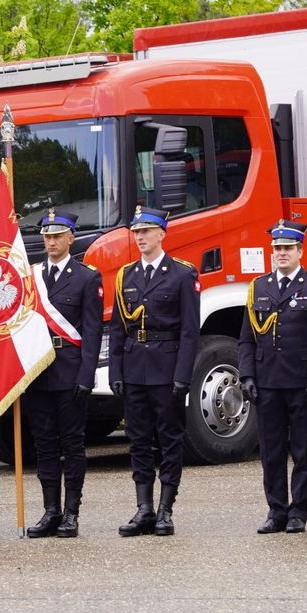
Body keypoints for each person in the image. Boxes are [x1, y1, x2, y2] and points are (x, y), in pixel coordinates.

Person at [238, 220, 307, 534]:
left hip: (303, 382)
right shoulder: (259, 287)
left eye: (287, 248)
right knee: (271, 450)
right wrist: (247, 375)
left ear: (299, 251)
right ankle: (276, 510)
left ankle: (299, 513)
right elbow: (246, 338)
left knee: (304, 450)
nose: (281, 254)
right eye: (277, 248)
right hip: (267, 383)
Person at [110, 206, 200, 537]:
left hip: (166, 367)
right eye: (136, 232)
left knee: (169, 439)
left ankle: (165, 508)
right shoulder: (126, 275)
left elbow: (190, 331)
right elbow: (119, 327)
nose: (140, 237)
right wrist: (115, 371)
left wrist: (182, 376)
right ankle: (143, 508)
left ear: (162, 233)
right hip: (135, 367)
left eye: (146, 231)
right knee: (138, 440)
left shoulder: (181, 274)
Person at [23, 210, 103, 538]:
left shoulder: (86, 277)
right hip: (38, 371)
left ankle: (72, 512)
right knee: (43, 445)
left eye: (58, 236)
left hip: (70, 369)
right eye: (47, 236)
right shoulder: (31, 277)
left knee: (71, 444)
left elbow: (93, 331)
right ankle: (50, 511)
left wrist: (87, 375)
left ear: (71, 238)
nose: (51, 242)